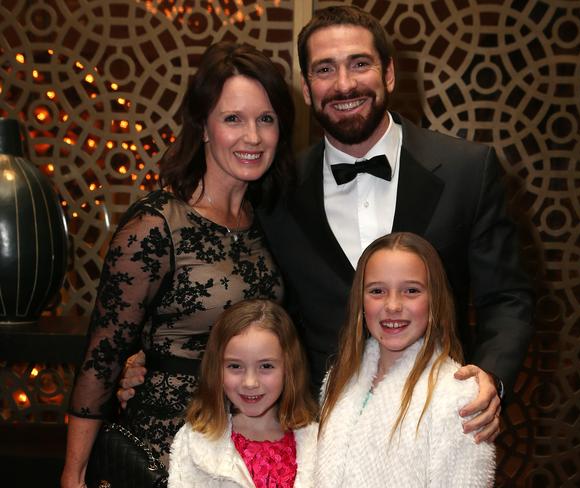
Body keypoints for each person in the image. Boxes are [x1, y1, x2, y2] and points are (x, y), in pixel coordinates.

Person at [256, 5, 534, 442]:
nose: (344, 84)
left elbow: (508, 297)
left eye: (359, 64)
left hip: (441, 424)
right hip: (318, 433)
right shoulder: (275, 191)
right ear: (307, 90)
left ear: (388, 74)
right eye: (325, 69)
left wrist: (491, 379)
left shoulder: (467, 171)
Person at [61, 42, 295, 487]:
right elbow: (102, 360)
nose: (253, 136)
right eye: (233, 119)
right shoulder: (155, 225)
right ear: (203, 127)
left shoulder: (270, 221)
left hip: (251, 455)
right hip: (164, 454)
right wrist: (74, 473)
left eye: (266, 119)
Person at [316, 232, 495, 487]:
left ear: (434, 298)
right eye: (377, 291)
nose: (392, 305)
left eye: (411, 290)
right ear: (360, 301)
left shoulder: (457, 395)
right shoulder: (339, 378)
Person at [168, 299, 318, 487]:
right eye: (235, 366)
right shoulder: (195, 442)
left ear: (290, 367)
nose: (250, 382)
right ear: (216, 369)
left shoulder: (317, 443)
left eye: (266, 366)